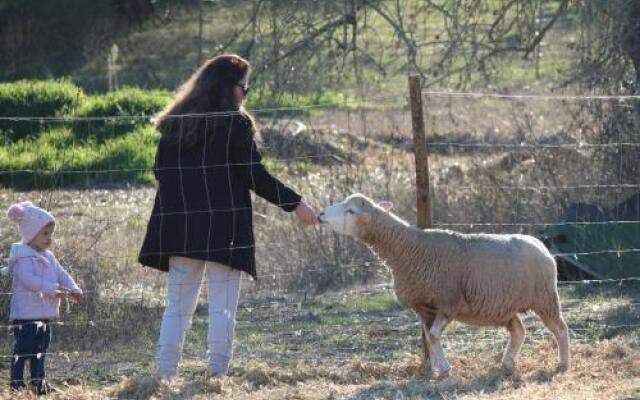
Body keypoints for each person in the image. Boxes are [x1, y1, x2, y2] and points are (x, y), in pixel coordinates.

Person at [138, 54, 317, 382]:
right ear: (226, 87)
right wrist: (295, 204)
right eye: (243, 87)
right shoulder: (235, 124)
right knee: (223, 307)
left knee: (177, 307)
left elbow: (160, 171)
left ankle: (164, 379)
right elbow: (253, 174)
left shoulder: (174, 122)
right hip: (224, 226)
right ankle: (217, 377)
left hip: (180, 226)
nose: (245, 93)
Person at [5, 201, 84, 395]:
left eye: (51, 234)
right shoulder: (22, 258)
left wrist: (73, 288)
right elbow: (29, 281)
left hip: (44, 313)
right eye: (45, 233)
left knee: (41, 349)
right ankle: (16, 384)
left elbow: (62, 274)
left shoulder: (49, 257)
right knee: (24, 350)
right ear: (31, 234)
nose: (49, 238)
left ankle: (38, 383)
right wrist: (52, 289)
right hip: (25, 315)